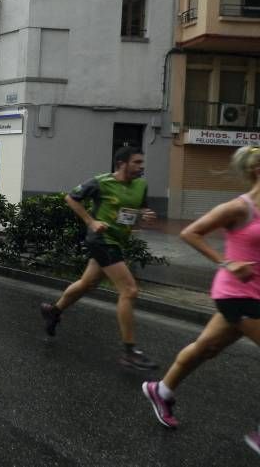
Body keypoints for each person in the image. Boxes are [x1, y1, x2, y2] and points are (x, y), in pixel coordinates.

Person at [141, 146, 260, 455]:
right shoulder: (239, 207)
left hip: (255, 294)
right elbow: (192, 233)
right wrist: (227, 262)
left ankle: (161, 390)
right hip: (237, 294)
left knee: (207, 347)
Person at [40, 146, 158, 370]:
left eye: (142, 163)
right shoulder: (101, 182)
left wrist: (146, 217)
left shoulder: (141, 185)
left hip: (118, 240)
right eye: (137, 162)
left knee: (88, 283)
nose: (141, 167)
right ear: (122, 163)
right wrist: (91, 222)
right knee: (129, 290)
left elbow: (138, 212)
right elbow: (71, 198)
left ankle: (53, 311)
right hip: (101, 240)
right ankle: (129, 351)